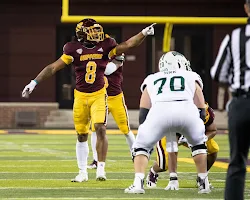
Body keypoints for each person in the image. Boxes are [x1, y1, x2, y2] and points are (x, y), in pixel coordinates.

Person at [21, 18, 156, 182]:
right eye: (92, 31)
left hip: (99, 94)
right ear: (81, 34)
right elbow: (53, 67)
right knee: (82, 135)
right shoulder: (72, 49)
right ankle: (82, 172)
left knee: (100, 127)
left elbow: (127, 45)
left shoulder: (106, 45)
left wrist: (143, 33)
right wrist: (34, 82)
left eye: (97, 30)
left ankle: (101, 168)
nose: (97, 34)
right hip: (80, 96)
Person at [124, 51, 210, 194]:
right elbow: (201, 105)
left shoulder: (152, 78)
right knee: (198, 145)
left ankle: (138, 183)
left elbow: (144, 110)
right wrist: (198, 126)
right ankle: (203, 183)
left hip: (160, 111)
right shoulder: (191, 75)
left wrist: (145, 129)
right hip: (186, 109)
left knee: (141, 147)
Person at [210, 1, 250, 199]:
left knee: (237, 162)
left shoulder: (235, 37)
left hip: (242, 102)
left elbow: (218, 73)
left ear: (246, 8)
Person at [146, 102, 219, 190]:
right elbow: (172, 147)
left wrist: (204, 139)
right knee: (163, 165)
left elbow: (213, 130)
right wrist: (173, 178)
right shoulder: (176, 113)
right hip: (169, 133)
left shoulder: (206, 112)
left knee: (213, 149)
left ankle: (202, 177)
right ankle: (153, 171)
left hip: (191, 135)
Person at [88, 54, 136, 169]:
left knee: (125, 129)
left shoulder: (115, 53)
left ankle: (136, 154)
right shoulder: (96, 53)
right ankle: (96, 160)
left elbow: (108, 70)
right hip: (100, 97)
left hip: (115, 98)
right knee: (95, 128)